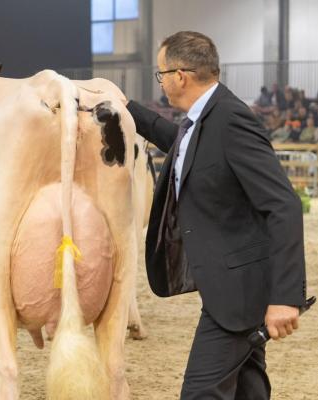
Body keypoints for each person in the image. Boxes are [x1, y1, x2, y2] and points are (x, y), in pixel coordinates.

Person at [126, 31, 306, 399]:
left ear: (180, 76)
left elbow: (283, 205)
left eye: (161, 74)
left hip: (240, 293)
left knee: (200, 392)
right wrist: (126, 107)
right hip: (229, 284)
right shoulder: (205, 117)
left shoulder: (230, 118)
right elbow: (181, 144)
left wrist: (286, 297)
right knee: (248, 388)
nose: (160, 82)